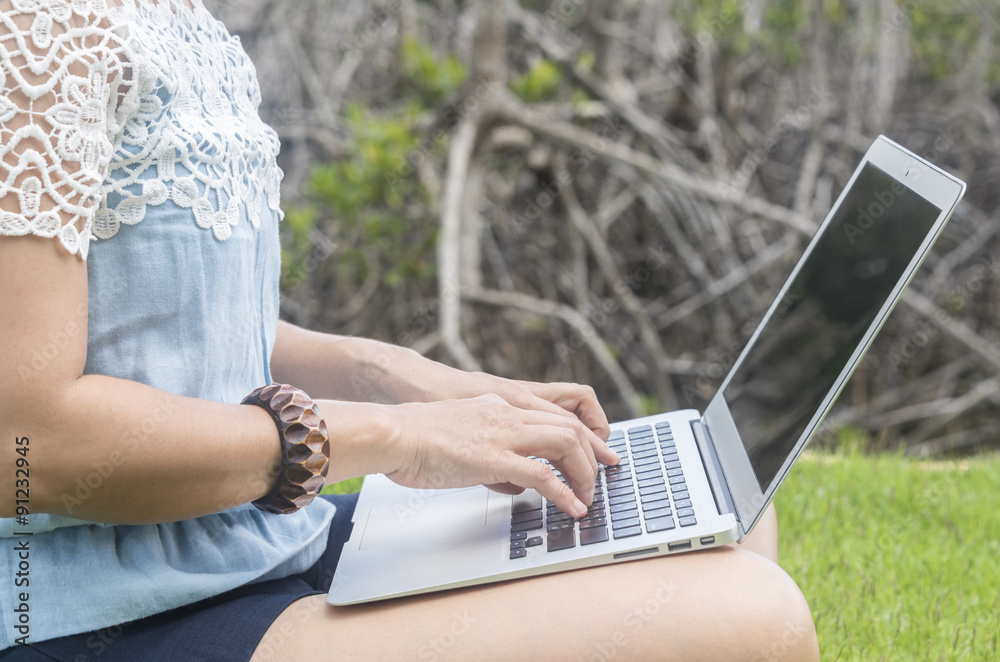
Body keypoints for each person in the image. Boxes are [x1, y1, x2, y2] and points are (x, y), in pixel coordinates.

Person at [0, 1, 819, 660]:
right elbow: (24, 444)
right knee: (753, 616)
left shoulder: (174, 18)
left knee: (725, 518)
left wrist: (401, 376)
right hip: (95, 610)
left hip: (256, 539)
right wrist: (401, 437)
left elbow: (170, 326)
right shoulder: (37, 31)